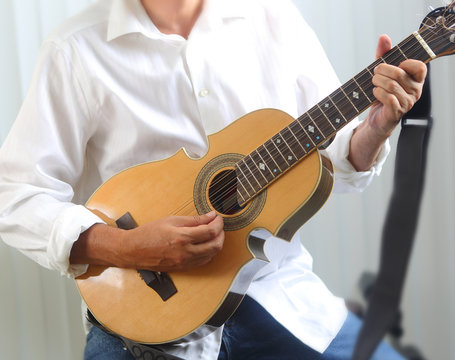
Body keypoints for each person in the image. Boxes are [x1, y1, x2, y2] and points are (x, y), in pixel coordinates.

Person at [0, 0, 427, 359]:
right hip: (142, 320)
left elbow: (336, 161)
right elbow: (14, 195)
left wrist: (377, 126)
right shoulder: (74, 49)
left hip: (277, 296)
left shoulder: (272, 18)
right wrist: (128, 246)